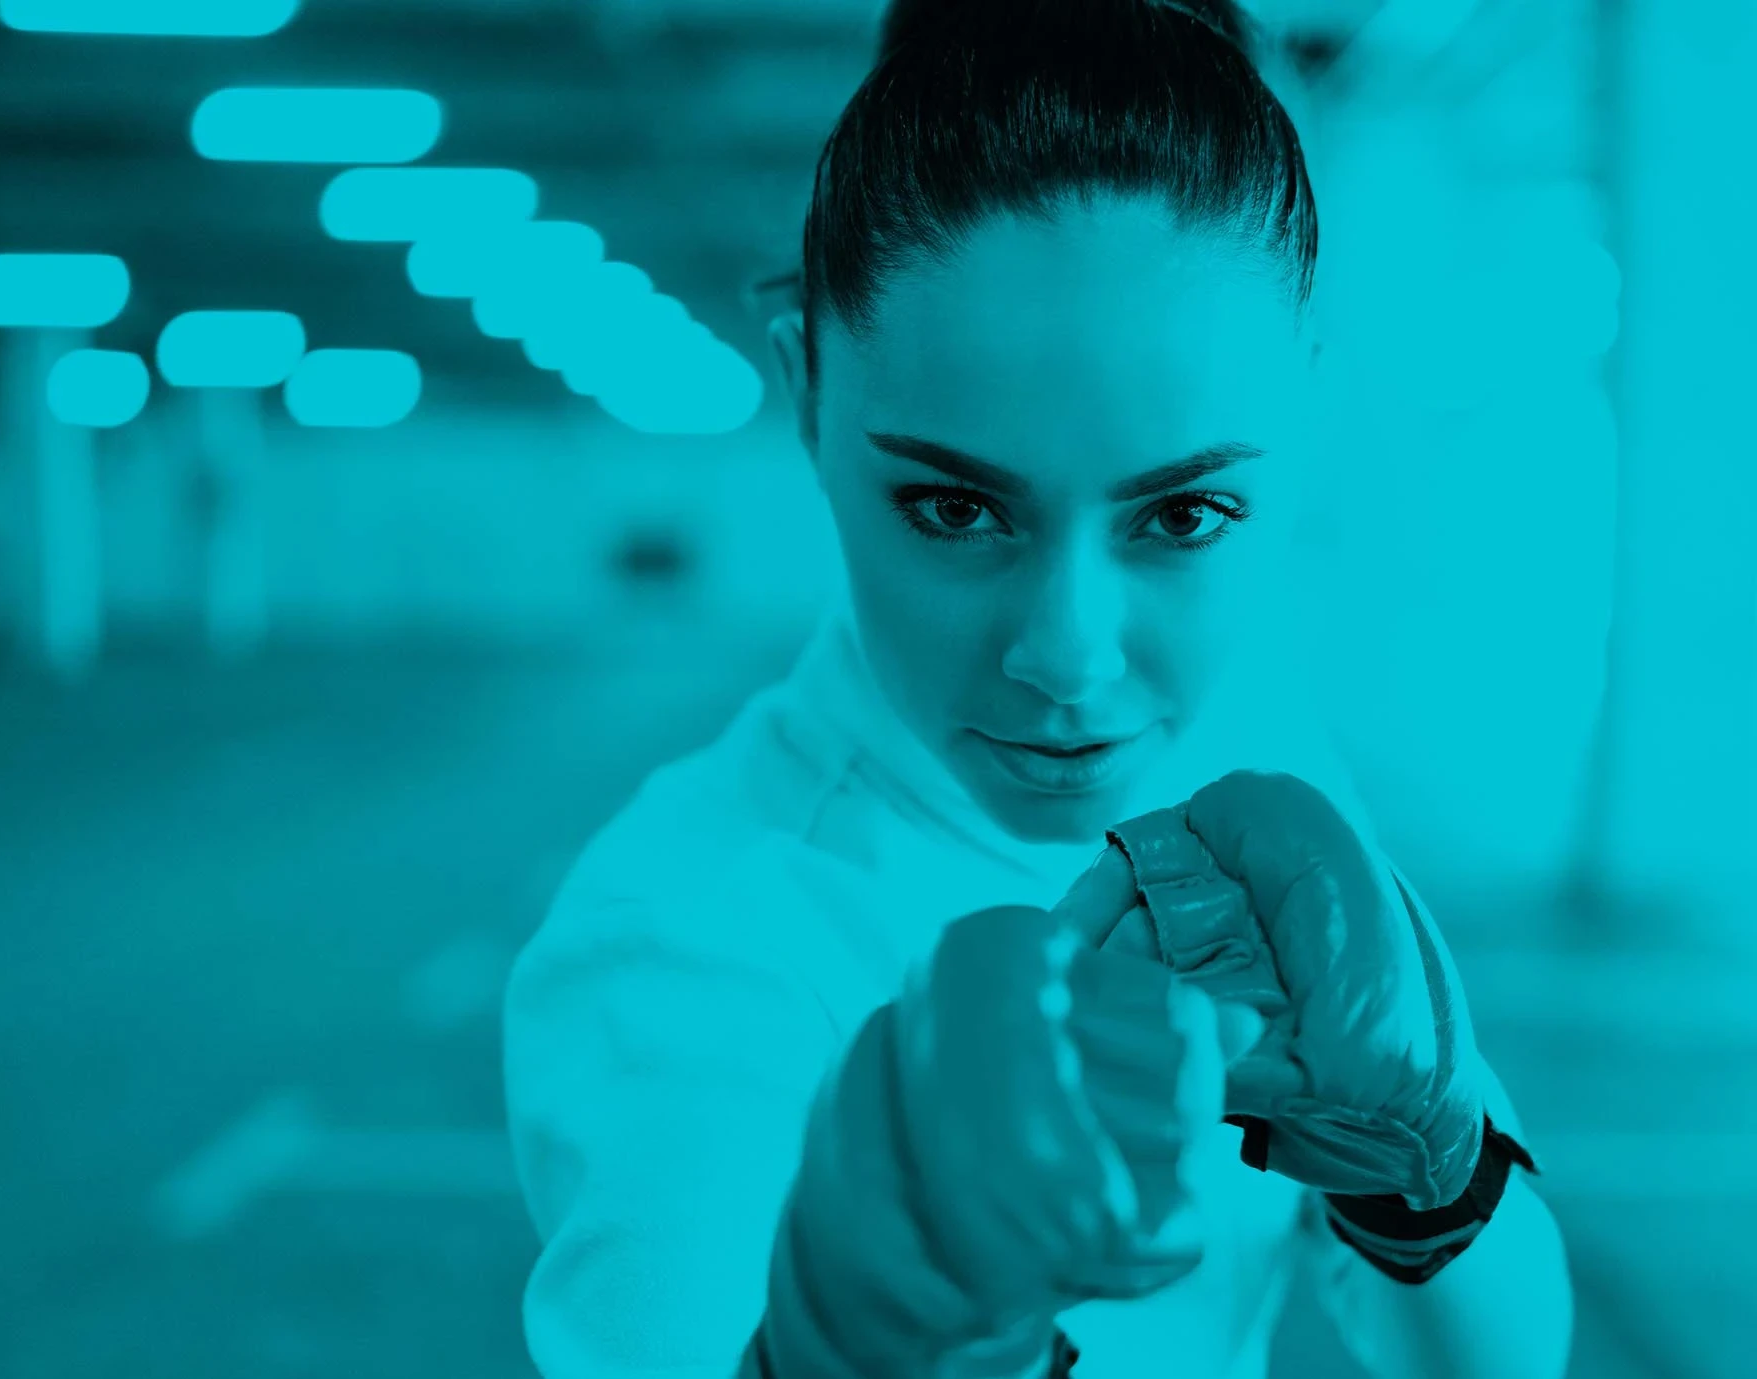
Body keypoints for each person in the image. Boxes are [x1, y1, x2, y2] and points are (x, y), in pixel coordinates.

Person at [503, 2, 1574, 1376]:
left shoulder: (1251, 747)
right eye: (955, 508)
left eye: (1183, 515)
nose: (1072, 659)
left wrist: (1430, 1178)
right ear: (807, 390)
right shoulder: (691, 949)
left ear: (1303, 412)